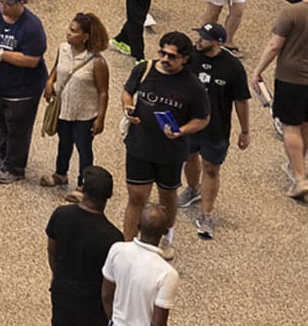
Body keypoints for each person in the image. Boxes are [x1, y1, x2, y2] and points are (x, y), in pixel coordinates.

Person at [44, 164, 124, 326]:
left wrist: (58, 276)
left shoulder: (62, 216)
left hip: (63, 294)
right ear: (108, 198)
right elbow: (112, 281)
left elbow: (52, 249)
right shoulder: (113, 238)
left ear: (83, 190)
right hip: (94, 305)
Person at [120, 34, 205, 239]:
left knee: (167, 197)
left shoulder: (193, 86)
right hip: (140, 145)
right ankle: (127, 243)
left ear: (184, 58)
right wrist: (128, 107)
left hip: (171, 152)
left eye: (172, 56)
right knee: (136, 197)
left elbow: (202, 118)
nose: (165, 59)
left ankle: (166, 238)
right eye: (163, 53)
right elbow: (127, 91)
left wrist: (182, 131)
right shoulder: (144, 69)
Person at [176, 20, 250, 241]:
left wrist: (245, 130)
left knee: (211, 168)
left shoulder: (233, 67)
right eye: (199, 35)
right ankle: (192, 189)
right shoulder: (190, 56)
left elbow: (241, 101)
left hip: (216, 128)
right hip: (189, 122)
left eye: (204, 38)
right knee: (188, 157)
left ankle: (207, 214)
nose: (199, 40)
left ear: (218, 42)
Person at [0, 0, 51, 183]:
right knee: (1, 121)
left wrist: (0, 54)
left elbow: (31, 60)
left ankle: (15, 168)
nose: (4, 6)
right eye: (1, 1)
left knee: (18, 128)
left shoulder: (32, 27)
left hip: (23, 90)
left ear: (22, 3)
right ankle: (2, 153)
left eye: (9, 4)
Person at [253, 0, 308, 200]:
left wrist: (258, 71)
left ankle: (300, 177)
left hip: (291, 77)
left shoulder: (291, 12)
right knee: (305, 123)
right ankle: (297, 166)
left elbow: (274, 46)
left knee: (290, 126)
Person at [46, 12, 113, 186]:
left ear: (85, 37)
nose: (69, 33)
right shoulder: (63, 49)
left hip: (85, 113)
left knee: (84, 148)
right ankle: (60, 174)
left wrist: (101, 118)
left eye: (74, 31)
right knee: (64, 143)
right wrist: (49, 81)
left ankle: (83, 185)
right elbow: (57, 68)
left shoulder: (97, 62)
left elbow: (103, 91)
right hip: (64, 109)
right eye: (70, 28)